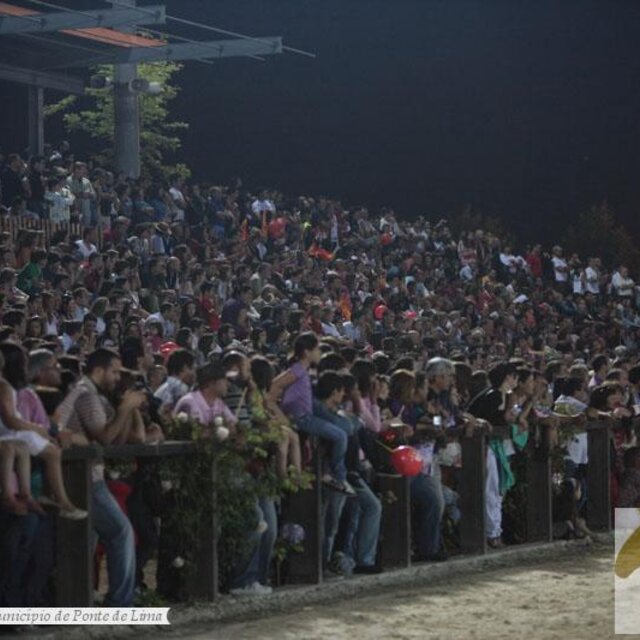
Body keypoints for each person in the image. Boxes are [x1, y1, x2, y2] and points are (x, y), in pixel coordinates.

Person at [56, 348, 146, 606]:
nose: (118, 377)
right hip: (81, 478)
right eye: (114, 372)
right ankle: (120, 603)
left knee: (91, 539)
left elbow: (118, 439)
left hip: (86, 475)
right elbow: (105, 438)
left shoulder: (94, 394)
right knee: (120, 531)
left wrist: (127, 409)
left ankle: (86, 599)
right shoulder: (86, 394)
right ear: (99, 370)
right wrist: (126, 407)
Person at [270, 332, 355, 496]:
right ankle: (338, 477)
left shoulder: (303, 370)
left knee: (341, 432)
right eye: (316, 349)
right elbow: (275, 385)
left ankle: (331, 473)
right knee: (340, 436)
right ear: (307, 352)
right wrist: (275, 407)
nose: (319, 353)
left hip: (306, 416)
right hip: (301, 417)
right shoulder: (298, 369)